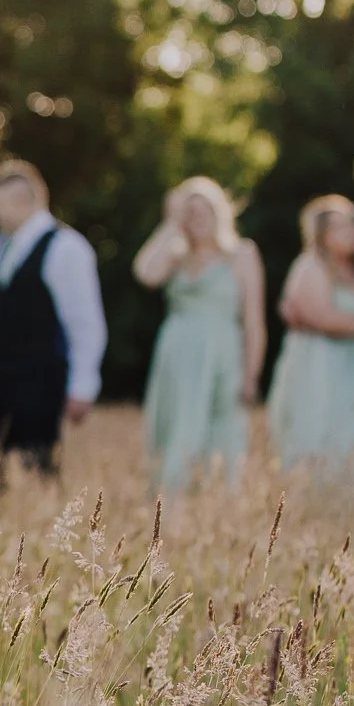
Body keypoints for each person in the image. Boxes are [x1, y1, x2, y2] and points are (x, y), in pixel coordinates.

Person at [0, 159, 107, 475]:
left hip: (40, 380)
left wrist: (83, 385)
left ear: (21, 201)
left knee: (34, 469)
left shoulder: (66, 247)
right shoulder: (0, 246)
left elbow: (84, 321)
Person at [133, 177, 266, 491]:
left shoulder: (242, 254)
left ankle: (216, 502)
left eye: (205, 209)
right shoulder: (176, 257)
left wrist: (251, 374)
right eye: (190, 212)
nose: (199, 218)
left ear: (220, 212)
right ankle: (170, 502)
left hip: (223, 352)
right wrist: (170, 225)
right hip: (177, 354)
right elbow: (145, 273)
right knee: (176, 424)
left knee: (222, 427)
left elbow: (254, 321)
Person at [269, 194, 354, 472]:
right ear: (323, 234)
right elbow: (321, 318)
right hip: (321, 363)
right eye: (341, 227)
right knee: (323, 432)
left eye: (352, 224)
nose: (353, 232)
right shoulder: (311, 266)